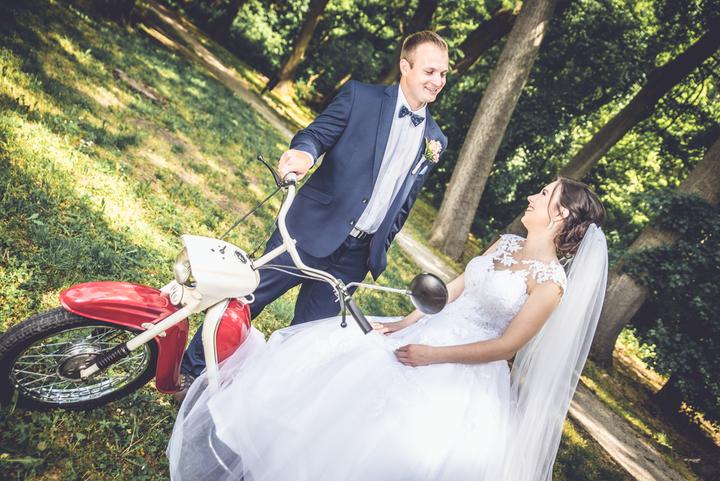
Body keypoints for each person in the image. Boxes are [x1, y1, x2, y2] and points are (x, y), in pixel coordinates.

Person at [167, 177, 609, 481]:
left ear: (560, 215)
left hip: (462, 368)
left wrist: (433, 356)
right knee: (340, 377)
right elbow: (454, 289)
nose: (533, 196)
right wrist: (406, 322)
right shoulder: (507, 243)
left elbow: (505, 347)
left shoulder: (550, 283)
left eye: (544, 194)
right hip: (429, 333)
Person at [177, 31, 450, 385]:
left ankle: (259, 394)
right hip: (309, 228)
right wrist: (304, 155)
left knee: (305, 340)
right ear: (405, 67)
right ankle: (191, 370)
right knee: (248, 298)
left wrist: (378, 244)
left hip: (354, 258)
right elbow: (316, 135)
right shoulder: (361, 97)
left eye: (443, 74)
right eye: (430, 71)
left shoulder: (435, 139)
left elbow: (405, 202)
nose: (437, 81)